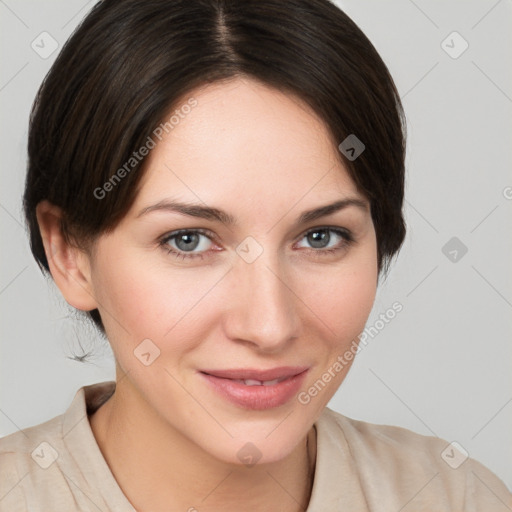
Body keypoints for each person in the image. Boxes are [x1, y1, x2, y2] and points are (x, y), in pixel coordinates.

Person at [1, 0, 510, 510]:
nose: (269, 326)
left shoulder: (455, 497)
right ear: (69, 253)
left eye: (321, 237)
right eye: (189, 240)